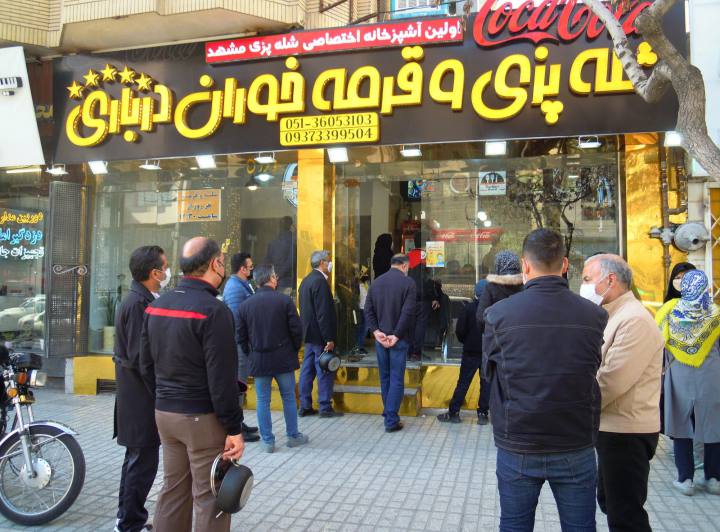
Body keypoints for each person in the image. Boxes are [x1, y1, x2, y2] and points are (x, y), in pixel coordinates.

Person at [483, 229, 608, 532]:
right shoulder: (594, 315)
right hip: (575, 441)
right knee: (581, 527)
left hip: (518, 441)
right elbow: (592, 367)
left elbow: (489, 374)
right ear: (564, 264)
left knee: (514, 526)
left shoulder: (498, 315)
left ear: (525, 265)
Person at [139, 237, 244, 532]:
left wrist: (164, 397)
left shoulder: (157, 306)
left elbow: (144, 365)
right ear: (215, 263)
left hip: (165, 414)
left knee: (174, 490)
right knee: (211, 497)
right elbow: (222, 378)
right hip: (201, 419)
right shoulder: (214, 311)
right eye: (222, 260)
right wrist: (234, 428)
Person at [582, 254, 664, 532]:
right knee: (611, 503)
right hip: (612, 428)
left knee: (625, 515)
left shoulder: (634, 320)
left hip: (626, 433)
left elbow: (611, 381)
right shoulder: (613, 314)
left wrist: (574, 407)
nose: (583, 286)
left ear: (610, 280)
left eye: (587, 279)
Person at [113, 245, 168, 532]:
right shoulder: (137, 304)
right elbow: (140, 358)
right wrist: (160, 393)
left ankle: (127, 519)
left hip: (138, 396)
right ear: (154, 273)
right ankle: (129, 524)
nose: (168, 272)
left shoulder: (142, 299)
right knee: (142, 463)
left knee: (137, 461)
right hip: (139, 398)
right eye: (165, 267)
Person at [655, 269, 720, 496]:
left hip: (679, 376)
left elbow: (657, 341)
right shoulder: (715, 313)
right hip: (711, 376)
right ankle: (714, 478)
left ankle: (685, 479)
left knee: (682, 426)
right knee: (713, 425)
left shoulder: (670, 310)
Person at [237, 264, 308, 453]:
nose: (277, 278)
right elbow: (297, 330)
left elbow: (241, 336)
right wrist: (293, 350)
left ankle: (268, 440)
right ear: (272, 278)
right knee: (289, 397)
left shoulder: (245, 305)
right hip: (283, 357)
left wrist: (251, 353)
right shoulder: (284, 301)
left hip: (259, 358)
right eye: (275, 276)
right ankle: (293, 435)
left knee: (262, 400)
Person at [364, 254, 416, 432]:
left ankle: (388, 412)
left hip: (381, 339)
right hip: (398, 340)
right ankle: (391, 419)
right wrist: (397, 335)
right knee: (396, 378)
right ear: (404, 266)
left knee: (385, 377)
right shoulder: (408, 283)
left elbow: (368, 309)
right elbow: (408, 312)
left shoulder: (376, 282)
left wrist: (376, 332)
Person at [436, 280, 489, 425]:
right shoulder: (492, 309)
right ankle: (483, 414)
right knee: (486, 384)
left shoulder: (469, 309)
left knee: (463, 383)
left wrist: (466, 341)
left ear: (475, 293)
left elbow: (460, 330)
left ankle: (454, 413)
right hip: (487, 352)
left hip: (470, 352)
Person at [298, 250, 343, 418]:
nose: (330, 264)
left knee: (307, 370)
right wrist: (329, 338)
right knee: (324, 369)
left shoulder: (306, 281)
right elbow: (323, 313)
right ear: (322, 263)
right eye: (328, 261)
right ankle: (325, 406)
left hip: (309, 334)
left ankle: (305, 405)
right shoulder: (320, 282)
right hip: (320, 336)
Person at [222, 252, 259, 443]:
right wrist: (244, 344)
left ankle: (239, 422)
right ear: (242, 269)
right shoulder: (235, 288)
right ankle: (236, 428)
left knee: (240, 385)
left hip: (241, 343)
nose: (252, 269)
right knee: (238, 385)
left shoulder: (242, 284)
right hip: (238, 345)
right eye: (250, 267)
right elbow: (237, 320)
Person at [408, 232, 440, 361]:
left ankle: (409, 352)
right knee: (420, 326)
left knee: (410, 325)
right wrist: (434, 296)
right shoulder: (427, 256)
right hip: (423, 297)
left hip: (409, 297)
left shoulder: (408, 256)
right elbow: (429, 280)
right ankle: (416, 353)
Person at [265, 216, 296, 294]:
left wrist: (277, 274)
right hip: (276, 279)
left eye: (283, 223)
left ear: (289, 224)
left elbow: (291, 260)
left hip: (285, 280)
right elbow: (267, 260)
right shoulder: (275, 239)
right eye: (281, 223)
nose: (281, 225)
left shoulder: (292, 239)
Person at [352, 265, 370, 355]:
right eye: (365, 273)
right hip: (360, 310)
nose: (366, 275)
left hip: (366, 309)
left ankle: (360, 346)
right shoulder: (356, 285)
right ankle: (359, 347)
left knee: (364, 329)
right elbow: (355, 298)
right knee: (361, 329)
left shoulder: (365, 284)